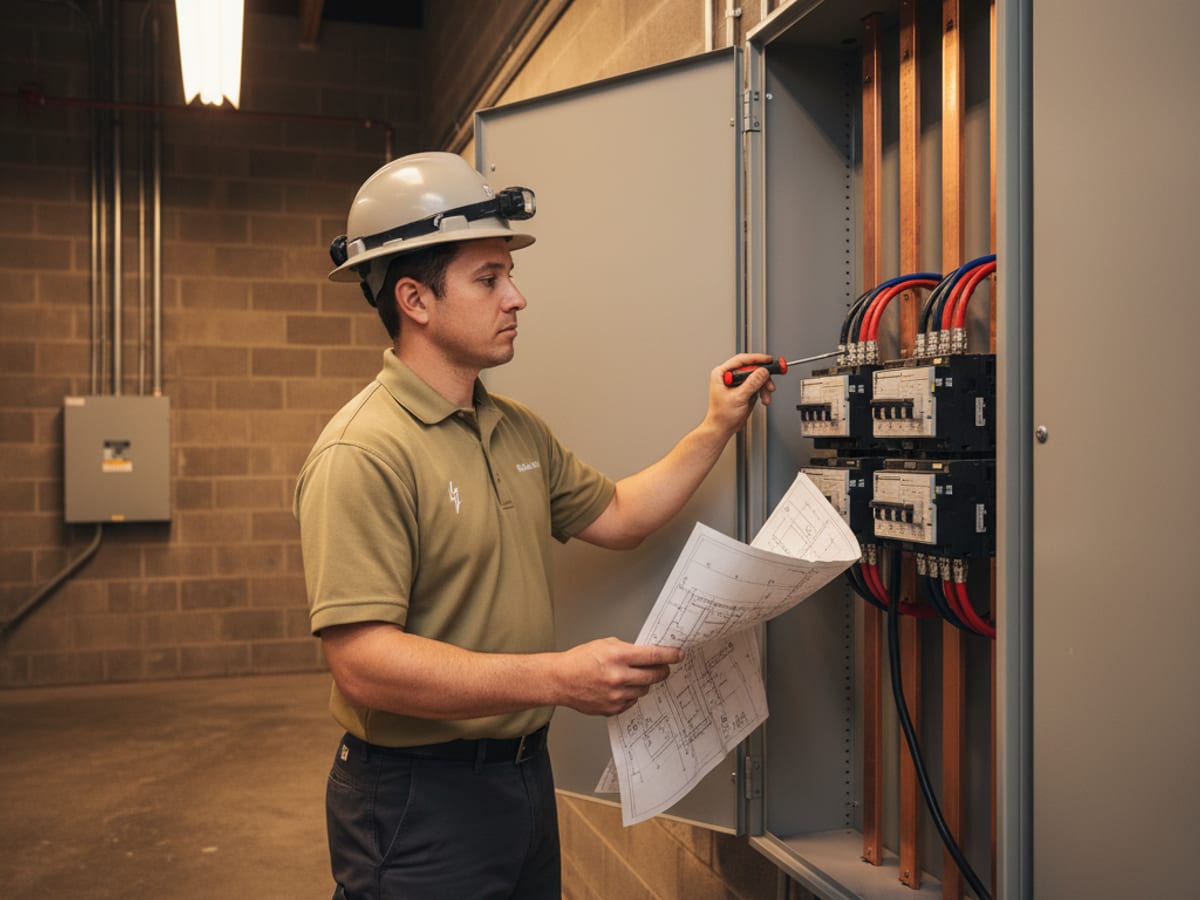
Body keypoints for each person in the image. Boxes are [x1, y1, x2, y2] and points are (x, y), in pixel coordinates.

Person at [294, 151, 776, 900]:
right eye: (489, 279)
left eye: (508, 276)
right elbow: (361, 662)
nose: (515, 297)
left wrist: (715, 425)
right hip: (415, 800)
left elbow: (617, 515)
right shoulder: (363, 452)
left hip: (520, 780)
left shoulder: (513, 429)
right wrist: (557, 677)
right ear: (416, 300)